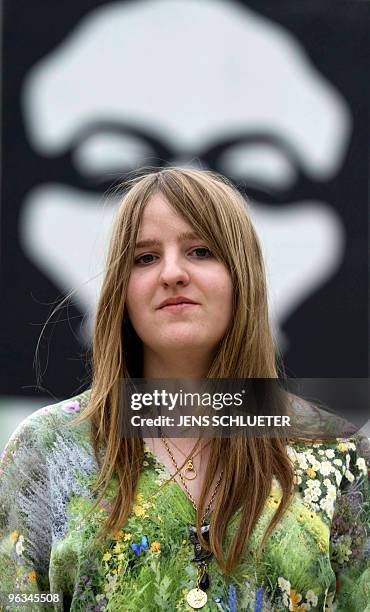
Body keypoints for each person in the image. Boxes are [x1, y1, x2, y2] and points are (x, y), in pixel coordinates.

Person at [0, 167, 368, 611]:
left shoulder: (334, 452)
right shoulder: (49, 448)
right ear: (122, 288)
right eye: (145, 258)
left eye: (200, 251)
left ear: (242, 277)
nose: (172, 273)